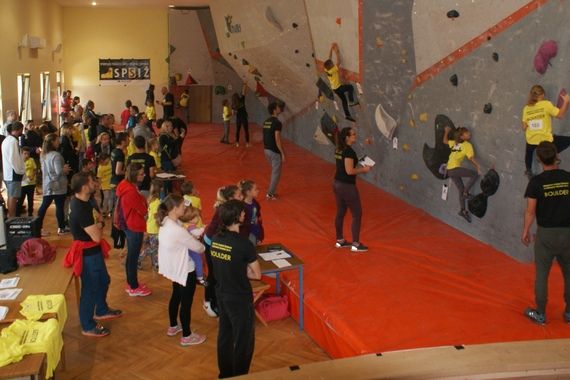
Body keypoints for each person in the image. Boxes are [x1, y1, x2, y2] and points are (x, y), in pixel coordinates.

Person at [64, 172, 122, 338]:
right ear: (84, 187)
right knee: (90, 289)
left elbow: (98, 222)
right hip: (88, 254)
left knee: (104, 280)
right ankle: (88, 325)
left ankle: (101, 310)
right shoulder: (80, 208)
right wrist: (101, 223)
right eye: (91, 181)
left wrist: (99, 223)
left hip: (93, 251)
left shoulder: (85, 201)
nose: (95, 183)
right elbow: (97, 235)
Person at [211, 199, 261, 378]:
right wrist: (242, 269)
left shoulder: (216, 239)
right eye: (242, 212)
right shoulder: (244, 245)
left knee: (225, 335)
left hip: (222, 294)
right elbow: (257, 275)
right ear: (236, 217)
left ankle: (225, 374)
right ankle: (240, 375)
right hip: (239, 298)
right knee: (244, 341)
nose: (244, 213)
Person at [522, 141, 570, 325]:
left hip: (546, 235)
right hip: (568, 233)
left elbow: (530, 211)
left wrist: (526, 230)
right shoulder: (568, 177)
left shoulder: (536, 182)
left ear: (540, 159)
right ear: (556, 155)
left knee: (542, 274)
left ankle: (540, 313)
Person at [157, 194, 207, 346]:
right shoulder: (177, 230)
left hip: (174, 268)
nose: (185, 208)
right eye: (182, 206)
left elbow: (187, 204)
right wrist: (203, 244)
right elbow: (198, 247)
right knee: (186, 303)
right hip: (185, 270)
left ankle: (173, 326)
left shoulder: (167, 221)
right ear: (173, 209)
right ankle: (187, 335)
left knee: (176, 296)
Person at [203, 185, 243, 318]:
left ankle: (218, 300)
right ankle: (208, 301)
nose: (241, 197)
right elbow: (222, 231)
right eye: (238, 195)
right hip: (211, 243)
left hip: (217, 241)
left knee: (219, 274)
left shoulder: (230, 208)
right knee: (214, 273)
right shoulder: (224, 211)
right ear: (230, 198)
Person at [333, 127, 371, 252]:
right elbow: (349, 171)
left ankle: (340, 240)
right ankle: (355, 244)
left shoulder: (339, 149)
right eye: (353, 134)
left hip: (337, 183)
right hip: (346, 186)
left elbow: (344, 166)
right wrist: (364, 170)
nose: (355, 135)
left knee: (340, 212)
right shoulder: (348, 151)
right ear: (347, 137)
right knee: (357, 214)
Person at [116, 163, 151, 297]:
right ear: (134, 175)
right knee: (132, 258)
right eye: (141, 174)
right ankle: (133, 287)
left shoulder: (125, 185)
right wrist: (143, 201)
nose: (144, 175)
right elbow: (142, 209)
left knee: (131, 256)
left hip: (129, 224)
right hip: (134, 226)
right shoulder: (130, 191)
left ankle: (131, 283)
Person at [522, 85, 570, 179]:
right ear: (542, 95)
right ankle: (554, 155)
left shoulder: (526, 108)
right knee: (565, 141)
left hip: (531, 139)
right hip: (546, 141)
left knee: (529, 153)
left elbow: (524, 127)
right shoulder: (546, 104)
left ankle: (528, 170)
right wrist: (566, 101)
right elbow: (560, 115)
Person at [443, 126, 481, 223]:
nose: (469, 134)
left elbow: (445, 141)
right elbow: (471, 158)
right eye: (467, 133)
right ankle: (466, 193)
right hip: (454, 169)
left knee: (460, 189)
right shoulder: (467, 145)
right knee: (475, 175)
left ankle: (463, 210)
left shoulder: (455, 143)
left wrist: (446, 131)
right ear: (462, 136)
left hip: (449, 170)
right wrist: (478, 167)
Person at [37, 133, 71, 235]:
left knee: (44, 206)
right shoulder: (56, 155)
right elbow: (58, 171)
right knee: (59, 206)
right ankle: (61, 228)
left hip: (47, 184)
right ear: (52, 142)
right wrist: (65, 169)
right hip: (57, 185)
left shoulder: (43, 154)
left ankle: (38, 227)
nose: (59, 141)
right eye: (57, 140)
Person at [324, 43, 358, 122]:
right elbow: (339, 61)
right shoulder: (333, 70)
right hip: (338, 88)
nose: (333, 63)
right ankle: (351, 101)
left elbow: (329, 59)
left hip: (334, 89)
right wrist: (337, 51)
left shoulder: (327, 70)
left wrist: (331, 49)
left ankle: (347, 115)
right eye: (332, 64)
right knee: (350, 87)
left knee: (343, 100)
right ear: (331, 66)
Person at [2, 121, 25, 217]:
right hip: (13, 172)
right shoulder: (12, 141)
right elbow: (14, 158)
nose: (21, 132)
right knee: (13, 197)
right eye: (21, 130)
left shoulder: (7, 140)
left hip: (9, 172)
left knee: (11, 195)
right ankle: (11, 217)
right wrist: (20, 170)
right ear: (18, 129)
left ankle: (11, 216)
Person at [179, 203, 206, 285]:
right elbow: (197, 233)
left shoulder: (186, 225)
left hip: (189, 246)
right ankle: (200, 277)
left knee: (195, 260)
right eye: (196, 217)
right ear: (190, 218)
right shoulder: (191, 226)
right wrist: (203, 228)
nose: (198, 218)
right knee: (198, 260)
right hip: (191, 247)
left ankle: (197, 273)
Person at [262, 102, 285, 200]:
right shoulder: (277, 123)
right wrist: (282, 153)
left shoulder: (266, 121)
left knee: (274, 171)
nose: (280, 108)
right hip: (274, 151)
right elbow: (277, 139)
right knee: (276, 173)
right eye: (278, 107)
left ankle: (272, 191)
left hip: (266, 150)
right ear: (275, 110)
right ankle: (270, 194)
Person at [138, 180, 161, 271]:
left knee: (154, 246)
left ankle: (155, 263)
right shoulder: (157, 202)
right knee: (153, 247)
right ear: (161, 189)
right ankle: (138, 259)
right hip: (154, 228)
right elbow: (156, 216)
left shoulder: (150, 198)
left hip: (150, 226)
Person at [238, 179, 264, 245]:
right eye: (255, 189)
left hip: (256, 233)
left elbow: (258, 219)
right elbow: (241, 225)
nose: (258, 191)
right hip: (248, 235)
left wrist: (260, 236)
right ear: (248, 192)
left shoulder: (255, 203)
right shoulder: (242, 207)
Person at [17, 147, 36, 217]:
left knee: (30, 200)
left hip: (31, 183)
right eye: (25, 154)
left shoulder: (31, 160)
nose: (26, 155)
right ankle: (17, 214)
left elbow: (34, 169)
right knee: (20, 200)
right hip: (22, 184)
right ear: (21, 154)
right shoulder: (19, 162)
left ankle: (30, 213)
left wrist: (32, 176)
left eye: (28, 154)